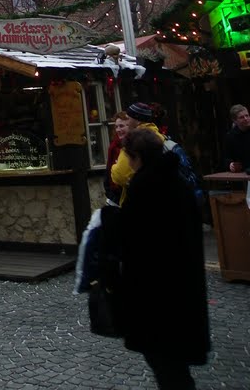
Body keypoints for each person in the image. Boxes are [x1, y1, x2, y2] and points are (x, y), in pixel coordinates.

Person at [102, 128, 210, 389]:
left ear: (136, 157)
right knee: (174, 367)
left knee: (167, 367)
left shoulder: (145, 188)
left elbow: (131, 242)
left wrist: (109, 224)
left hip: (157, 296)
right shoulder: (178, 183)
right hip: (184, 292)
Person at [109, 102, 163, 202]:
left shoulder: (133, 140)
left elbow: (120, 175)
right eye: (116, 127)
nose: (127, 122)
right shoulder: (158, 135)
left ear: (137, 121)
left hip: (140, 198)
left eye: (129, 119)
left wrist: (114, 167)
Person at [103, 111, 130, 206]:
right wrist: (112, 196)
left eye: (122, 126)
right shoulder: (114, 147)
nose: (118, 130)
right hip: (116, 198)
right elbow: (108, 175)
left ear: (130, 126)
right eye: (116, 127)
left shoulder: (135, 146)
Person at [223, 103, 250, 172]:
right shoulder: (230, 136)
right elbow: (226, 157)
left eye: (247, 115)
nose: (246, 119)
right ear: (235, 120)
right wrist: (230, 164)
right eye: (241, 117)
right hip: (242, 173)